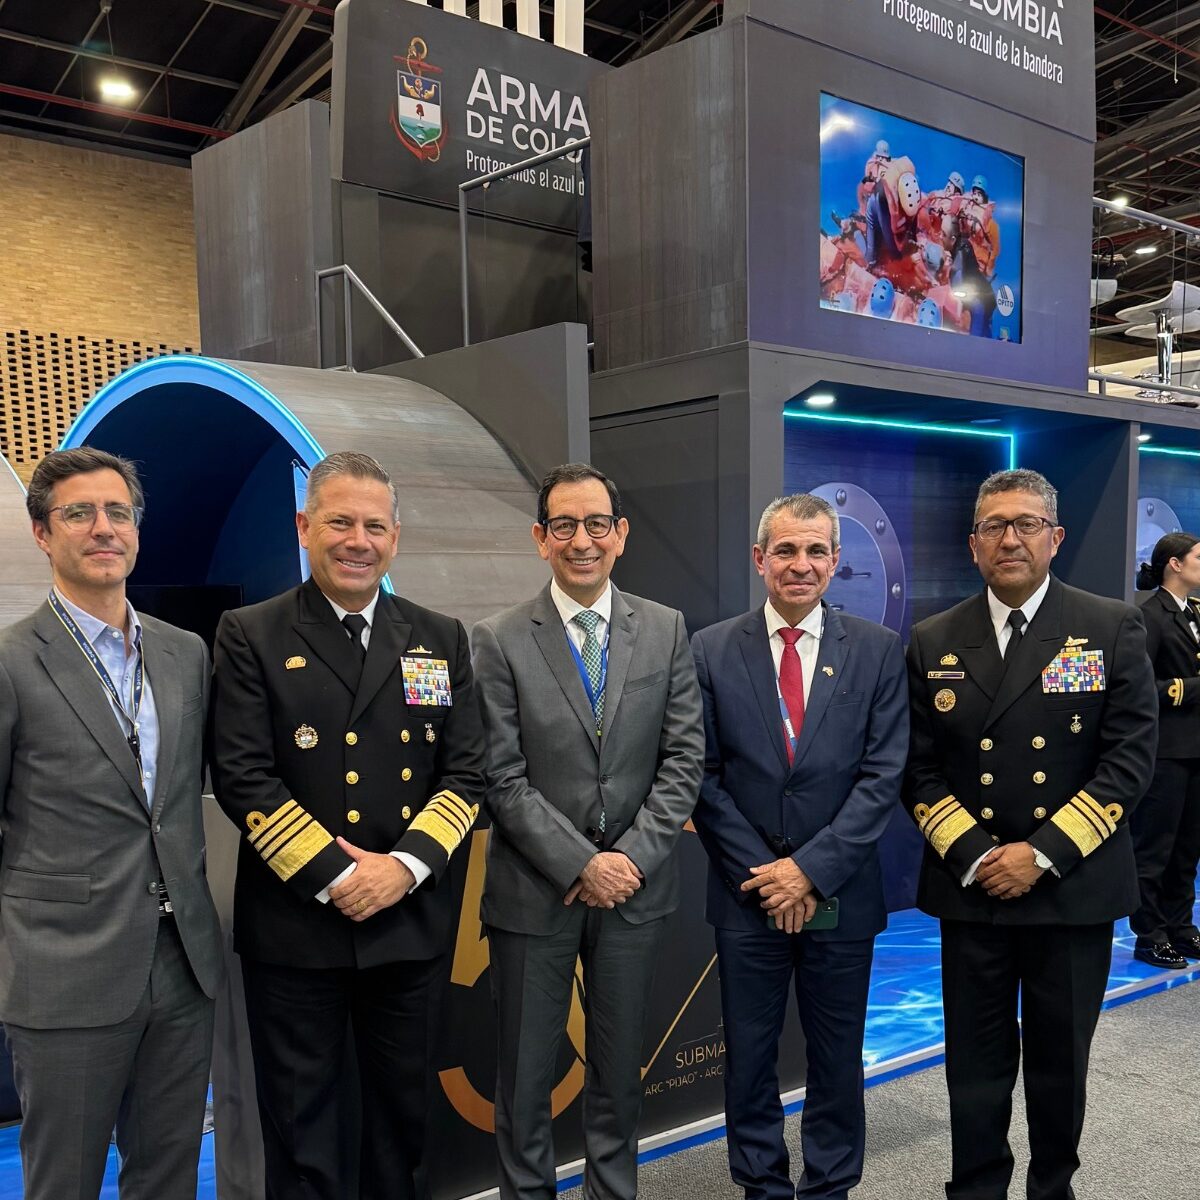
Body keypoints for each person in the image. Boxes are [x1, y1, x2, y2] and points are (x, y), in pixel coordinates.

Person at [211, 451, 484, 1200]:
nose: (357, 541)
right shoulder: (252, 633)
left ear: (396, 537)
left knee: (403, 1124)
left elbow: (466, 774)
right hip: (298, 928)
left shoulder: (439, 636)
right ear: (305, 527)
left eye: (374, 526)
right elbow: (242, 775)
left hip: (407, 922)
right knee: (304, 1132)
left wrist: (401, 870)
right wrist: (341, 879)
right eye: (339, 522)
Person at [904, 468, 1157, 1200]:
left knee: (1059, 1063)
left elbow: (1128, 760)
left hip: (1071, 887)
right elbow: (918, 769)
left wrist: (1041, 854)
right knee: (974, 1066)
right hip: (973, 887)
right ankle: (975, 1189)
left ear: (1055, 536)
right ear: (973, 543)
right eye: (993, 526)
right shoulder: (933, 638)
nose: (1009, 539)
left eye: (1026, 524)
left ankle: (1053, 1189)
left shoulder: (1107, 626)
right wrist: (980, 855)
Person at [470, 462, 704, 1200]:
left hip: (634, 892)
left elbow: (684, 759)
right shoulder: (498, 639)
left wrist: (626, 860)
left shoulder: (664, 629)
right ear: (540, 538)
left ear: (621, 534)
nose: (582, 540)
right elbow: (500, 777)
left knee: (619, 1074)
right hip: (534, 892)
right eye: (564, 525)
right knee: (525, 1083)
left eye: (596, 524)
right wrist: (582, 863)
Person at [0, 447, 222, 1200]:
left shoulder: (184, 652)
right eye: (79, 514)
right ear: (42, 532)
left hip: (183, 964)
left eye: (118, 512)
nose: (104, 528)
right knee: (63, 1182)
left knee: (168, 1178)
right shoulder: (11, 661)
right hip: (65, 972)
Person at [690, 494, 908, 1200]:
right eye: (786, 550)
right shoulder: (710, 649)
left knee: (837, 1058)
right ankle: (761, 1186)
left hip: (840, 894)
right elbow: (701, 776)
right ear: (760, 559)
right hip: (747, 895)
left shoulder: (877, 651)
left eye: (816, 551)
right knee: (749, 1059)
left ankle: (829, 1187)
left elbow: (882, 776)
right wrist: (771, 875)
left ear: (836, 561)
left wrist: (809, 872)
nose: (801, 564)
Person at [1130, 533, 1200, 968]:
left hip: (1196, 748)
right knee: (1156, 846)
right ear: (1174, 563)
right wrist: (1193, 688)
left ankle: (1181, 926)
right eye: (1198, 557)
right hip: (1166, 751)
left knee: (1188, 848)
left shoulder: (1195, 612)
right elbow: (1142, 688)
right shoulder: (1149, 616)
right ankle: (1150, 933)